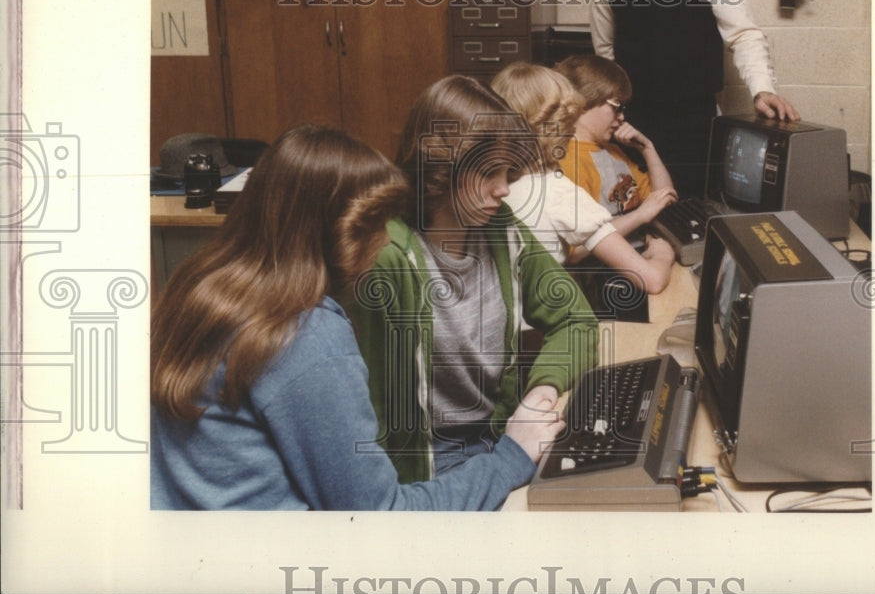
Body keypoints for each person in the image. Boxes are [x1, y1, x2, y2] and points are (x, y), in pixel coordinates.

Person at [150, 124, 564, 510]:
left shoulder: (197, 287)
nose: (385, 239)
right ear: (341, 232)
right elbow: (379, 517)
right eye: (377, 225)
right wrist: (512, 455)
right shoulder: (305, 336)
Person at [342, 75, 598, 482]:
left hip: (500, 436)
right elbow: (364, 410)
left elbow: (577, 320)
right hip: (427, 464)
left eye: (507, 172)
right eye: (488, 173)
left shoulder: (501, 229)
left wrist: (539, 395)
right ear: (440, 168)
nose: (503, 189)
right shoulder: (386, 256)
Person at [589, 0, 800, 198]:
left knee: (693, 215)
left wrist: (762, 90)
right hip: (634, 125)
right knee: (640, 218)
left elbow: (742, 34)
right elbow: (605, 55)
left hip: (695, 126)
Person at [490, 61, 674, 295]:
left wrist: (648, 149)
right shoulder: (559, 190)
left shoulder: (498, 185)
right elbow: (652, 281)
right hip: (593, 290)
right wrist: (662, 253)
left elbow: (663, 198)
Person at [554, 54, 678, 243]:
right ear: (584, 103)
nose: (621, 117)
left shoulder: (613, 151)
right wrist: (640, 216)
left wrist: (648, 149)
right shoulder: (569, 161)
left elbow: (665, 200)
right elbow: (576, 248)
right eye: (616, 107)